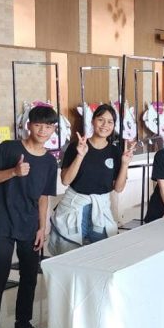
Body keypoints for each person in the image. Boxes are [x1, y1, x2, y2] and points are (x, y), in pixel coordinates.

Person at [0, 105, 59, 328]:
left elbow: (44, 197)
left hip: (30, 223)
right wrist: (14, 172)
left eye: (48, 126)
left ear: (53, 129)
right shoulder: (9, 148)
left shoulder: (49, 161)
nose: (43, 130)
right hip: (3, 220)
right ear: (28, 125)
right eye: (38, 125)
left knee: (29, 275)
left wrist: (42, 227)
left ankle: (23, 322)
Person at [48, 103, 134, 252]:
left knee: (102, 254)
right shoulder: (77, 146)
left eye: (110, 122)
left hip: (101, 210)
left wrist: (125, 164)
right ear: (93, 121)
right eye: (101, 120)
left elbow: (118, 188)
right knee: (71, 254)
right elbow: (66, 180)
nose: (105, 125)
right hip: (76, 207)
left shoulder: (115, 151)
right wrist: (80, 155)